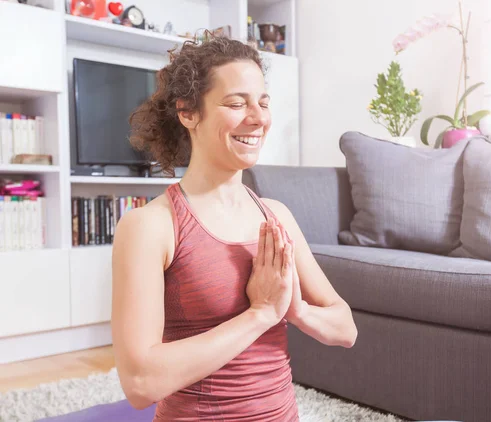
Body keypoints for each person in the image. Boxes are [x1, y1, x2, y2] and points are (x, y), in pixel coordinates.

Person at [111, 37, 358, 422]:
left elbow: (345, 328)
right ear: (188, 113)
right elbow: (141, 383)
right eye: (236, 103)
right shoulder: (150, 226)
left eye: (262, 102)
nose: (258, 118)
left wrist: (294, 310)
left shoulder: (276, 215)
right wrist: (259, 314)